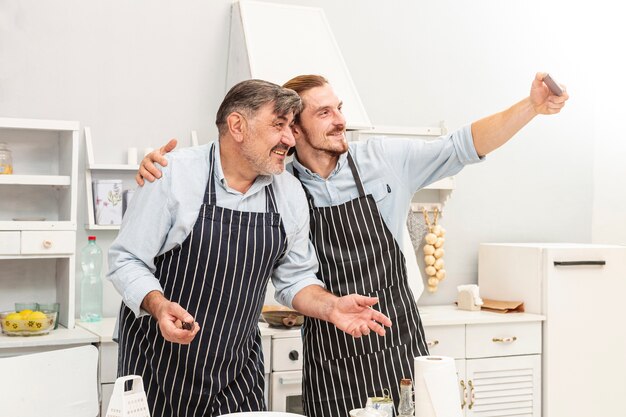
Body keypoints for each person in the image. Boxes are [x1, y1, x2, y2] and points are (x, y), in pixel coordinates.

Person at [137, 73, 569, 417]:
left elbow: (462, 145)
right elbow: (223, 167)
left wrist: (531, 106)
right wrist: (156, 168)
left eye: (339, 108)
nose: (340, 119)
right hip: (329, 356)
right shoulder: (278, 182)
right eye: (324, 113)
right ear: (295, 131)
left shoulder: (381, 161)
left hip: (395, 340)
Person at [108, 79, 392, 417]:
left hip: (236, 370)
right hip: (158, 363)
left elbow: (295, 278)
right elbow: (126, 260)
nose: (289, 138)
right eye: (278, 125)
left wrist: (331, 307)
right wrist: (158, 305)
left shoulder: (288, 192)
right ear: (238, 126)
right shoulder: (173, 175)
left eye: (290, 126)